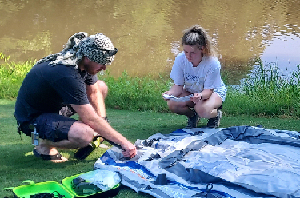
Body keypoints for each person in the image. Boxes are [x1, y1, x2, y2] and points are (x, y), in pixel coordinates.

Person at [14, 32, 137, 162]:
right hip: (32, 118)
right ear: (88, 58)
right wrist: (124, 143)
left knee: (101, 86)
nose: (104, 68)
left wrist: (102, 129)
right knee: (84, 135)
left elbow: (94, 92)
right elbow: (90, 118)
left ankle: (82, 133)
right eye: (101, 63)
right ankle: (41, 143)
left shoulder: (81, 62)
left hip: (54, 107)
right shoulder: (67, 74)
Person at [163, 25, 226, 128]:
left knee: (202, 109)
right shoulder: (180, 59)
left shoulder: (212, 63)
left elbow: (208, 91)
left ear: (202, 49)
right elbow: (178, 86)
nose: (188, 56)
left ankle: (215, 115)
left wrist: (200, 96)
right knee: (172, 103)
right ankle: (193, 117)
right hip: (191, 91)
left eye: (192, 53)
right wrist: (170, 94)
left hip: (212, 92)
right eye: (186, 52)